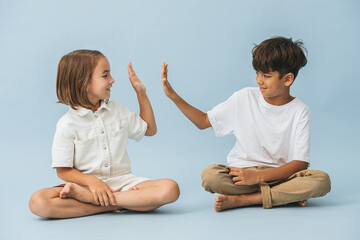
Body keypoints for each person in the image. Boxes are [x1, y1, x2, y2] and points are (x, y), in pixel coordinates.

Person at [161, 36, 331, 212]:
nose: (259, 80)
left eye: (266, 75)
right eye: (257, 73)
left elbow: (300, 164)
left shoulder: (300, 111)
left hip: (280, 176)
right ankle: (283, 196)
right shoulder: (244, 97)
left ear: (287, 79)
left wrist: (258, 177)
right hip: (242, 175)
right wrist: (173, 96)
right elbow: (204, 121)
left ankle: (246, 200)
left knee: (321, 180)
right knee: (210, 175)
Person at [29, 50, 180, 218]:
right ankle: (125, 203)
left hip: (124, 184)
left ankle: (98, 202)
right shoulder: (66, 124)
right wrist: (93, 183)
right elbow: (63, 171)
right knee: (39, 201)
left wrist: (141, 93)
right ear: (84, 84)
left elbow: (150, 130)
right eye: (105, 75)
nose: (112, 80)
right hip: (85, 187)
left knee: (170, 188)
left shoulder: (117, 110)